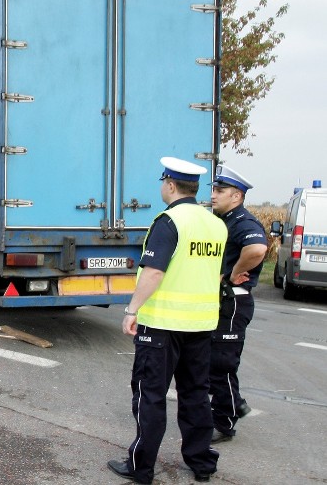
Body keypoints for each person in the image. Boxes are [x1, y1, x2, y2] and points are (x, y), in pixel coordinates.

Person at [108, 157, 228, 484]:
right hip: (201, 325)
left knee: (151, 395)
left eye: (163, 182)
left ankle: (141, 467)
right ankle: (201, 463)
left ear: (171, 185)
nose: (162, 186)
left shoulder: (169, 222)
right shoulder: (215, 224)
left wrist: (132, 310)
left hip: (161, 326)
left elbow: (154, 271)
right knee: (196, 393)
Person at [209, 166, 268, 443]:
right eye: (214, 189)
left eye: (220, 191)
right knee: (217, 363)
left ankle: (228, 415)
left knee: (220, 363)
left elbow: (257, 249)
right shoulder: (223, 219)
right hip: (222, 300)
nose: (213, 195)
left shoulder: (243, 221)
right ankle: (230, 411)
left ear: (237, 196)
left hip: (234, 301)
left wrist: (234, 272)